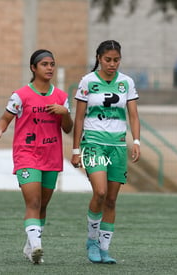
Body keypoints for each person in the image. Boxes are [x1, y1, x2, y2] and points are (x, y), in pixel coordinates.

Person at [0, 49, 73, 264]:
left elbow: (68, 129)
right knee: (33, 201)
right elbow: (5, 119)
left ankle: (29, 247)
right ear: (33, 68)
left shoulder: (61, 97)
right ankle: (37, 246)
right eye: (44, 64)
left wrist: (65, 114)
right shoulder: (21, 95)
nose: (49, 68)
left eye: (52, 64)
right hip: (27, 154)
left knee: (43, 205)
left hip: (51, 155)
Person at [71, 40, 140, 264]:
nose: (112, 64)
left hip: (118, 147)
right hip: (94, 144)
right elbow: (79, 117)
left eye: (116, 60)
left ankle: (104, 249)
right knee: (99, 192)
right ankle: (91, 240)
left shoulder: (126, 82)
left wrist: (136, 141)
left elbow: (134, 115)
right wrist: (76, 149)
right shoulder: (88, 81)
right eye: (108, 60)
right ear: (99, 58)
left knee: (111, 200)